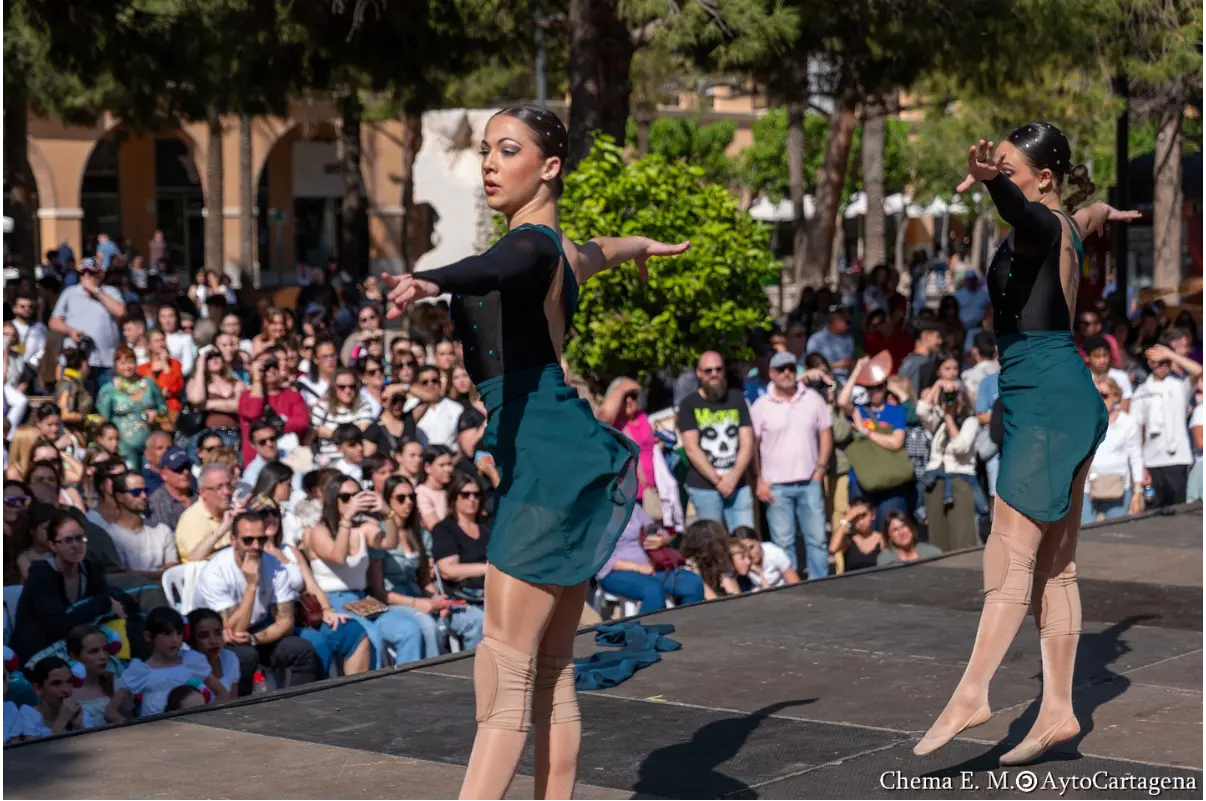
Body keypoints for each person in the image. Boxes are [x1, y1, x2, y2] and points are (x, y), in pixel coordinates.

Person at [383, 104, 688, 800]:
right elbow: (600, 250)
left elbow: (501, 262)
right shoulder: (565, 250)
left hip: (548, 458)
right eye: (486, 150)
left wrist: (433, 279)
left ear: (549, 167)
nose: (489, 163)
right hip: (560, 449)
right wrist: (642, 245)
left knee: (504, 671)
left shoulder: (532, 247)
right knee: (550, 671)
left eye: (507, 150)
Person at [915, 125, 1138, 766]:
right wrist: (1104, 210)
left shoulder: (1039, 224)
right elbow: (1086, 215)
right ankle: (1060, 710)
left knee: (1009, 553)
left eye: (1010, 169)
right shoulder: (1070, 221)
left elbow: (1025, 213)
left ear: (1043, 180)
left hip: (1044, 396)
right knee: (1056, 566)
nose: (1000, 175)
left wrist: (996, 189)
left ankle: (972, 692)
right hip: (1061, 393)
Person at [677, 351, 756, 531]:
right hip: (704, 486)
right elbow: (691, 448)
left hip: (738, 484)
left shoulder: (737, 399)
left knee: (745, 538)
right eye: (708, 370)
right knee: (712, 541)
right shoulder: (689, 404)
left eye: (718, 369)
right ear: (699, 373)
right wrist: (718, 481)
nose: (714, 374)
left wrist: (733, 477)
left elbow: (747, 442)